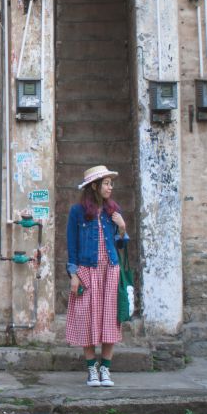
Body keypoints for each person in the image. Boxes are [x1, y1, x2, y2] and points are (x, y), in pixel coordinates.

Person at [65, 164, 128, 387]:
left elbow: (120, 245)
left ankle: (106, 370)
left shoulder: (114, 210)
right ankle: (91, 370)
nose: (110, 187)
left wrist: (122, 228)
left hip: (110, 271)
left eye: (111, 183)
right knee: (88, 320)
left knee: (110, 321)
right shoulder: (77, 212)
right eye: (107, 183)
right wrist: (73, 275)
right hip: (86, 271)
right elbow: (71, 245)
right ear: (95, 186)